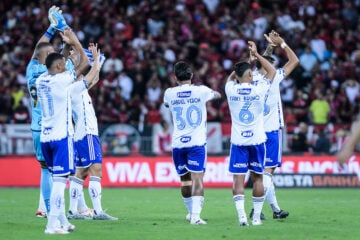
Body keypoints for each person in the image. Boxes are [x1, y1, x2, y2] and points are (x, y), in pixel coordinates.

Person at [36, 29, 101, 234]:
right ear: (59, 67)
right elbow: (84, 66)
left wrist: (65, 47)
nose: (67, 65)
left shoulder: (42, 81)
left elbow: (60, 64)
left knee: (58, 178)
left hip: (46, 137)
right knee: (59, 183)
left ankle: (63, 221)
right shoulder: (62, 80)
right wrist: (75, 42)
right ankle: (51, 225)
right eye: (64, 64)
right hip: (61, 138)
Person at [163, 61, 221, 225]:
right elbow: (217, 95)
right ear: (191, 76)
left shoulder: (169, 93)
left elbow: (167, 104)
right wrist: (213, 93)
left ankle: (190, 213)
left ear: (175, 77)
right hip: (196, 142)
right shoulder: (201, 91)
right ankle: (195, 216)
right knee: (197, 179)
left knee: (185, 181)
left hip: (178, 143)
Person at [249, 30, 299, 220]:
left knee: (262, 174)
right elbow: (294, 62)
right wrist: (283, 44)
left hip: (256, 132)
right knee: (268, 173)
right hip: (272, 132)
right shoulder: (275, 76)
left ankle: (276, 210)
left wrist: (269, 47)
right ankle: (257, 209)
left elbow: (264, 60)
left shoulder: (251, 78)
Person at [225, 41, 276, 226]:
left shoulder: (230, 89)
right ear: (249, 74)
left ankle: (241, 217)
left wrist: (247, 62)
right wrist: (257, 56)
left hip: (238, 141)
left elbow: (233, 77)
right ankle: (256, 218)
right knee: (258, 178)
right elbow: (272, 72)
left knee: (238, 179)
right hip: (257, 140)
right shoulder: (259, 89)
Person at [26, 5, 69, 218]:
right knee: (59, 172)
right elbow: (74, 59)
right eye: (52, 52)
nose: (55, 53)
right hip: (54, 126)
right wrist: (63, 28)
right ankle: (55, 212)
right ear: (48, 58)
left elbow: (38, 48)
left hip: (36, 126)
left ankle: (46, 209)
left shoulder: (31, 70)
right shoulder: (55, 73)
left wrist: (51, 29)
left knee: (44, 169)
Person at [67, 44, 118, 221]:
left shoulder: (74, 87)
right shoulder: (73, 85)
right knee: (96, 170)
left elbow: (93, 79)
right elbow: (90, 77)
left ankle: (73, 211)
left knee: (80, 173)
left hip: (80, 134)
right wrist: (96, 60)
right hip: (87, 133)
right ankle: (98, 212)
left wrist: (98, 63)